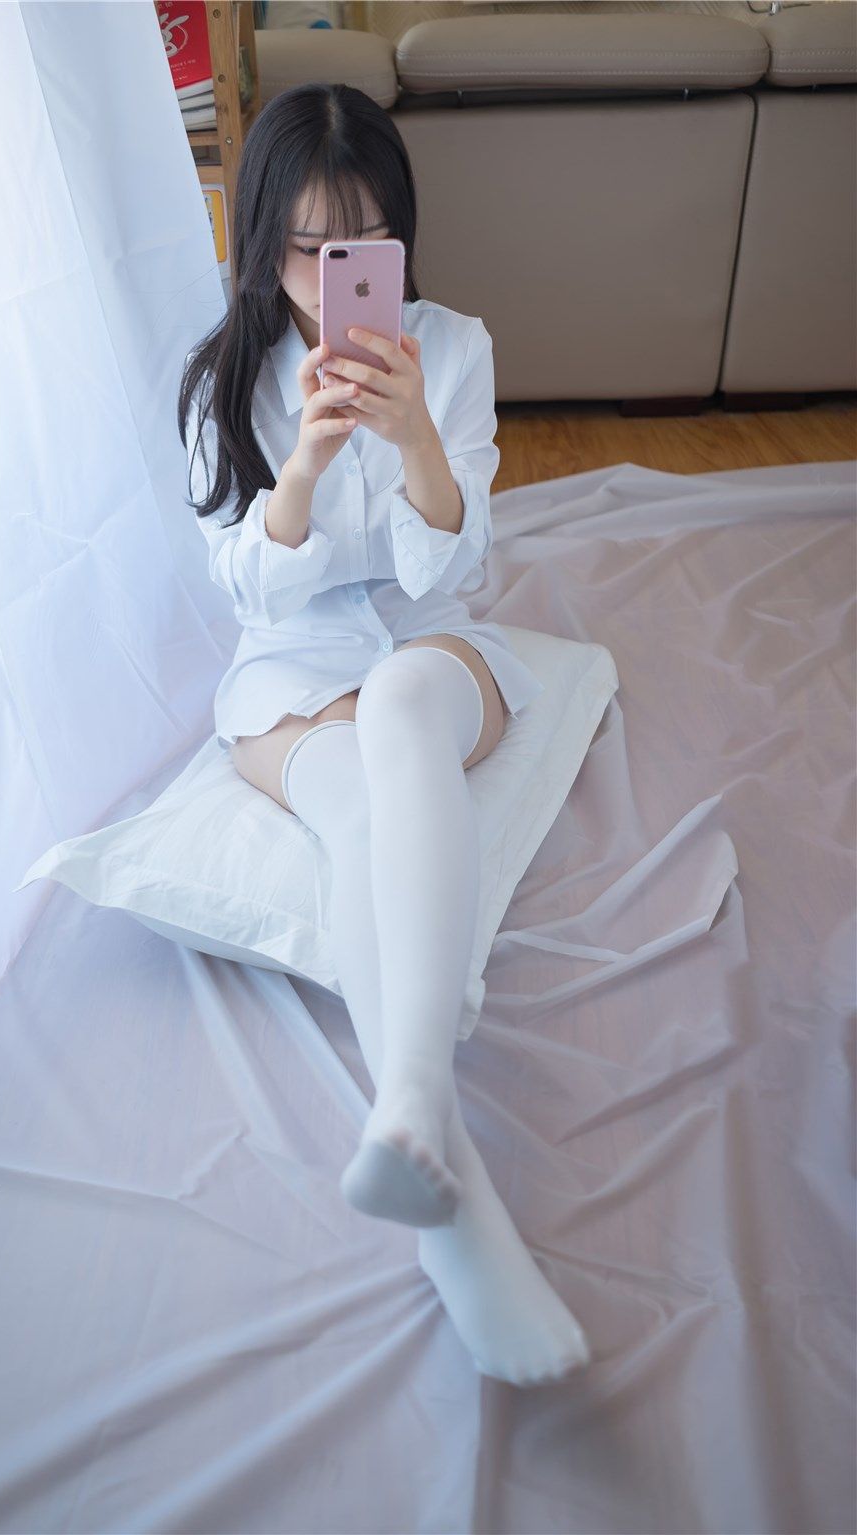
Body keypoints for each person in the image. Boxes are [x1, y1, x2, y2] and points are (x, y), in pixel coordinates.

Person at [178, 83, 589, 1387]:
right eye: (304, 247)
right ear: (261, 246)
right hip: (288, 677)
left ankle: (410, 1099)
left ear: (400, 239)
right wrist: (302, 468)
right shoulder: (224, 376)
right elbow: (244, 593)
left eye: (361, 245)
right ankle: (453, 1208)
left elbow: (452, 569)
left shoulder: (451, 348)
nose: (331, 276)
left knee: (406, 696)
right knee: (356, 798)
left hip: (428, 642)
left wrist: (415, 440)